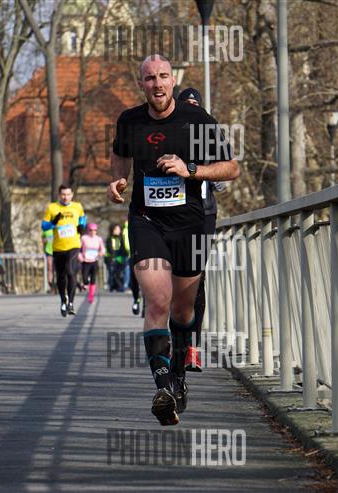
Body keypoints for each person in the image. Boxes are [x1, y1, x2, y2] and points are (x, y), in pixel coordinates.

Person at [107, 54, 239, 426]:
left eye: (163, 76)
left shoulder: (197, 121)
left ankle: (179, 377)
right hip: (146, 220)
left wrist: (190, 169)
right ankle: (163, 386)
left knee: (183, 310)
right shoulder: (130, 121)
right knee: (157, 299)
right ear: (141, 84)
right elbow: (119, 156)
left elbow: (231, 168)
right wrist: (118, 180)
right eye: (150, 78)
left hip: (190, 225)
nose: (158, 84)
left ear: (173, 81)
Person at [178, 87, 227, 372]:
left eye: (195, 104)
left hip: (204, 213)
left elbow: (224, 177)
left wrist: (212, 173)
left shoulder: (209, 135)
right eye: (187, 104)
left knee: (197, 279)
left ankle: (193, 348)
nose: (192, 108)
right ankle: (177, 340)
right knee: (173, 280)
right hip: (172, 215)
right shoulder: (169, 134)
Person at [41, 184, 86, 317]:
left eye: (68, 194)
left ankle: (71, 303)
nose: (65, 197)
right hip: (58, 247)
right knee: (61, 275)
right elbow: (44, 226)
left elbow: (82, 218)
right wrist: (53, 223)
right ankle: (63, 301)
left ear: (72, 195)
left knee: (70, 272)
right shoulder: (52, 208)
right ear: (59, 195)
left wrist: (82, 226)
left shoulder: (77, 206)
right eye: (63, 195)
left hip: (74, 245)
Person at [79, 223, 105, 304]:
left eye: (94, 230)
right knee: (85, 278)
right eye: (91, 230)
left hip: (94, 261)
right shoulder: (84, 238)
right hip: (85, 261)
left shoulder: (99, 239)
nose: (93, 231)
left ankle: (91, 296)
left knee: (93, 279)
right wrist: (80, 256)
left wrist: (101, 253)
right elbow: (78, 248)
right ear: (88, 230)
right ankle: (85, 284)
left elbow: (103, 249)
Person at [105, 224, 127, 292]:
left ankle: (119, 286)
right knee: (112, 273)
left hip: (120, 259)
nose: (118, 231)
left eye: (119, 229)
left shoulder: (121, 239)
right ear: (112, 230)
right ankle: (113, 286)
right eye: (116, 229)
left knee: (119, 274)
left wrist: (124, 256)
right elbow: (110, 249)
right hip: (111, 259)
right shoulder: (109, 239)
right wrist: (113, 257)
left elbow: (123, 249)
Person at [40, 224, 55, 293]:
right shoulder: (46, 230)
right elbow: (43, 240)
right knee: (50, 268)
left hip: (58, 250)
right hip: (49, 251)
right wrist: (45, 240)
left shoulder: (57, 228)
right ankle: (51, 285)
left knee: (58, 269)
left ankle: (59, 285)